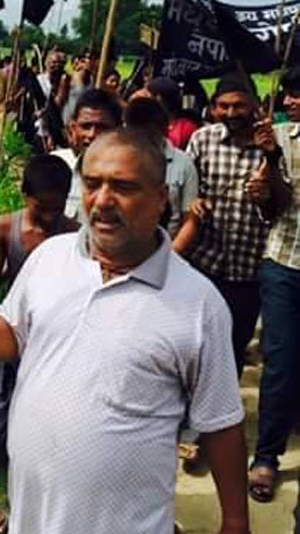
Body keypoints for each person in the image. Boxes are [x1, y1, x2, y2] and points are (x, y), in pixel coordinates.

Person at [0, 128, 251, 534]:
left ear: (160, 199)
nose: (101, 199)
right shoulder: (51, 258)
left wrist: (234, 526)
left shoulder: (198, 303)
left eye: (122, 186)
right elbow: (13, 334)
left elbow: (222, 424)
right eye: (93, 183)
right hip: (33, 528)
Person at [0, 155, 77, 534]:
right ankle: (13, 495)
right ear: (25, 196)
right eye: (41, 207)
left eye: (57, 207)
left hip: (56, 349)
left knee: (52, 432)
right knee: (0, 434)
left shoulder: (74, 235)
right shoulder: (6, 228)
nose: (49, 216)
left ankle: (39, 503)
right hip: (13, 344)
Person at [178, 75, 287, 377]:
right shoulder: (203, 139)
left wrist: (270, 178)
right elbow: (185, 189)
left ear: (254, 106)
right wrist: (194, 201)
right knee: (193, 344)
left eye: (239, 106)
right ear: (213, 108)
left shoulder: (272, 143)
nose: (231, 113)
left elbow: (283, 205)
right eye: (223, 106)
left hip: (249, 271)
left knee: (233, 348)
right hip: (204, 265)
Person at [249, 67, 300, 502]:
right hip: (284, 261)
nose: (291, 101)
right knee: (281, 364)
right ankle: (266, 457)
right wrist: (270, 162)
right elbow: (274, 206)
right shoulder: (279, 140)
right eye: (290, 93)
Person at [125, 97, 199, 238]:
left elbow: (189, 220)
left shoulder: (184, 165)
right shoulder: (118, 159)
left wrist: (169, 255)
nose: (144, 141)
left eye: (149, 135)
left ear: (164, 129)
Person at [51, 88, 122, 221]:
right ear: (73, 128)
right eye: (86, 126)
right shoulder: (56, 168)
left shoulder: (127, 180)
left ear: (117, 131)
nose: (91, 135)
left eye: (101, 127)